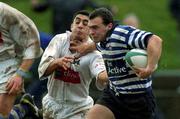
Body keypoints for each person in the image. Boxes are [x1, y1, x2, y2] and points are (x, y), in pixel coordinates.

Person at [71, 8, 163, 119]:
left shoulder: (121, 34)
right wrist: (83, 49)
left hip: (138, 99)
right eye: (90, 28)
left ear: (109, 26)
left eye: (95, 28)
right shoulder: (103, 38)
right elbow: (96, 45)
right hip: (114, 94)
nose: (91, 32)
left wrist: (150, 68)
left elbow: (155, 40)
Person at [38, 10, 108, 119]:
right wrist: (57, 62)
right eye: (77, 22)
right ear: (71, 26)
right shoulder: (59, 40)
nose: (80, 26)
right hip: (51, 104)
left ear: (90, 30)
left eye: (85, 23)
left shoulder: (95, 55)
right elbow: (43, 70)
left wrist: (115, 73)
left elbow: (101, 76)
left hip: (78, 109)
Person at [0, 2, 42, 119]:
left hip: (10, 60)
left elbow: (32, 42)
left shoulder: (6, 13)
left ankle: (24, 109)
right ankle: (23, 109)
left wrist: (20, 74)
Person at [30, 0, 100, 35]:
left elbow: (39, 8)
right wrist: (109, 9)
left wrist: (34, 4)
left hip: (58, 34)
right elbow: (97, 8)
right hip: (76, 33)